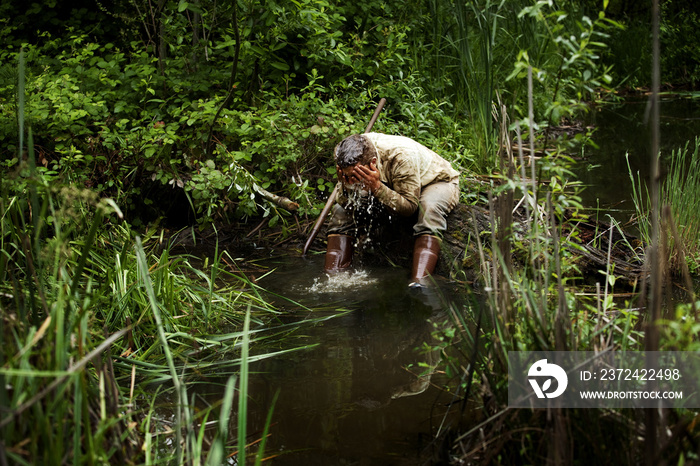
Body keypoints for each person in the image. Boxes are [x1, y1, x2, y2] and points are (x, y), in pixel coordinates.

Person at [324, 132, 460, 287]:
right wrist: (346, 185)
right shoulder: (346, 153)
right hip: (389, 184)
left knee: (429, 210)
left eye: (356, 175)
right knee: (340, 213)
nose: (351, 179)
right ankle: (334, 279)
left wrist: (377, 188)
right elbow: (345, 205)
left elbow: (410, 208)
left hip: (436, 181)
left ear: (372, 163)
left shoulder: (401, 157)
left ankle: (419, 282)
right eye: (347, 176)